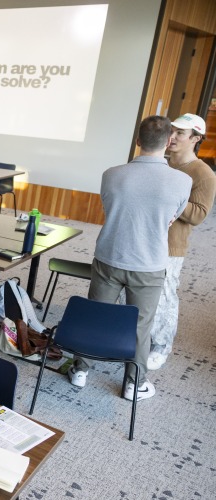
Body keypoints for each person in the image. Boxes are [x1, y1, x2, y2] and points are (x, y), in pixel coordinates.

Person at [71, 115, 191, 401]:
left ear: (138, 141)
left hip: (109, 257)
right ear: (168, 142)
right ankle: (134, 384)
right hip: (149, 265)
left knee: (96, 315)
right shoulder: (182, 181)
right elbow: (173, 217)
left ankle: (80, 370)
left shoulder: (111, 174)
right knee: (141, 326)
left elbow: (110, 206)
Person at [147, 113, 216, 370]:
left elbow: (198, 214)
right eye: (171, 130)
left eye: (180, 133)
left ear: (195, 139)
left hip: (171, 246)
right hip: (145, 238)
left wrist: (170, 195)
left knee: (165, 295)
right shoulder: (159, 163)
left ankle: (161, 346)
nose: (172, 137)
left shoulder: (203, 174)